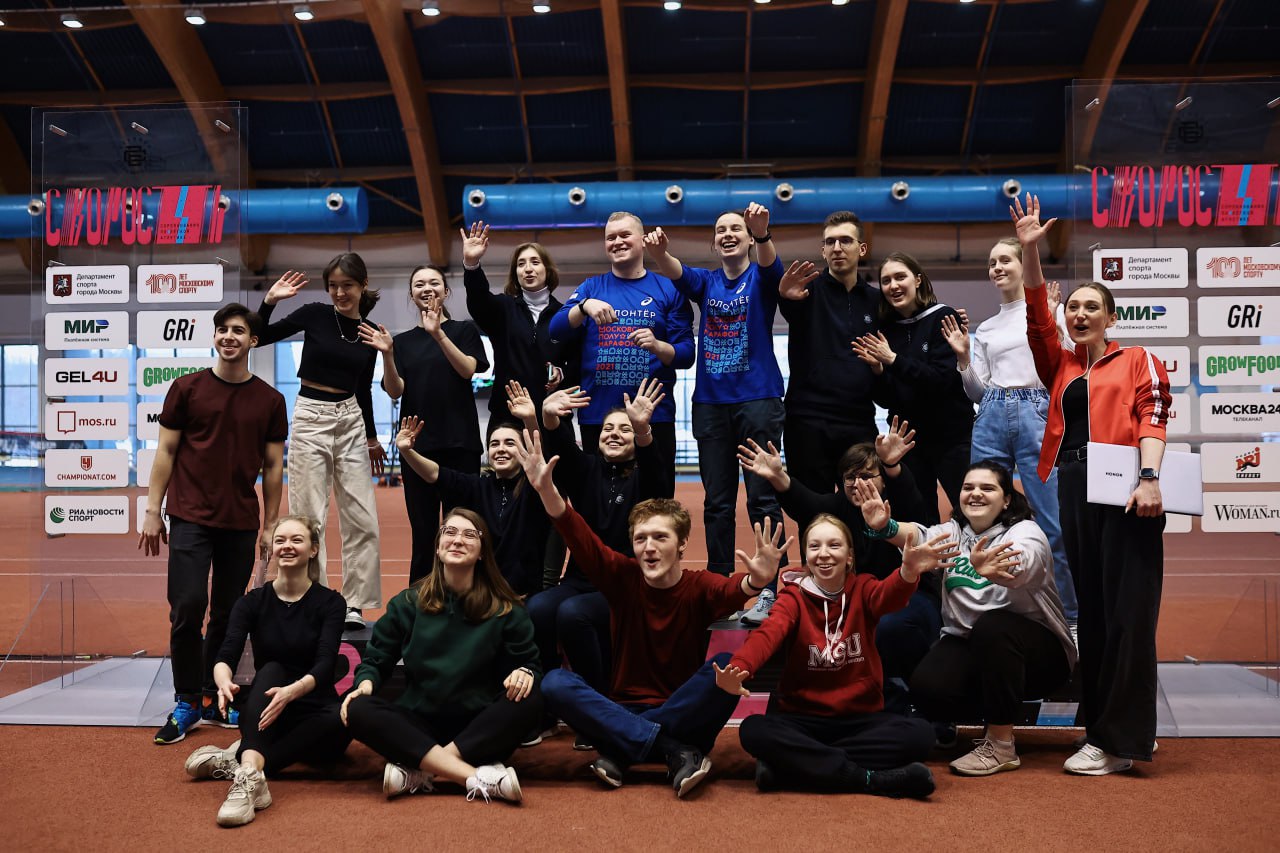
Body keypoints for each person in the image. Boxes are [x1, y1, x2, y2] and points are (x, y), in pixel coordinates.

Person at [516, 428, 782, 798]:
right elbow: (579, 536)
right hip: (626, 709)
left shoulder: (700, 586)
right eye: (640, 539)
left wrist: (757, 581)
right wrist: (547, 490)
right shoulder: (622, 578)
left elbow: (733, 590)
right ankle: (673, 751)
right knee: (555, 683)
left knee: (725, 665)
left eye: (660, 537)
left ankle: (623, 750)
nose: (649, 547)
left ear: (682, 544)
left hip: (683, 712)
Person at [1016, 193, 1171, 775]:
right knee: (1097, 614)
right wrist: (1031, 251)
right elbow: (1037, 314)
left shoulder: (1136, 359)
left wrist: (1149, 477)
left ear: (1111, 317)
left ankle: (1122, 741)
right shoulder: (1060, 364)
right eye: (1073, 308)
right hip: (1075, 485)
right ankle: (1105, 731)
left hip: (1129, 491)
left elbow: (1153, 416)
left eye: (1091, 307)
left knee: (1129, 614)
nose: (1079, 314)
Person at [855, 462, 1076, 777]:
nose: (975, 494)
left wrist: (996, 569)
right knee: (929, 689)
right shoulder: (955, 533)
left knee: (993, 626)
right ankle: (991, 716)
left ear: (1007, 499)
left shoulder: (1025, 531)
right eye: (968, 487)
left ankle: (1001, 745)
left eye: (987, 488)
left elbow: (1026, 563)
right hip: (977, 649)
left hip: (1040, 657)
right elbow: (919, 536)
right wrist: (885, 526)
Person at [714, 513, 953, 798]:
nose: (824, 554)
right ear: (806, 556)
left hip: (859, 719)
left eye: (834, 545)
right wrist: (740, 666)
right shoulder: (792, 598)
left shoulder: (863, 589)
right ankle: (868, 779)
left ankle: (794, 765)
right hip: (801, 719)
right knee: (752, 730)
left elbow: (889, 596)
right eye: (814, 546)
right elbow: (768, 633)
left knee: (921, 736)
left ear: (849, 557)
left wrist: (907, 573)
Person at [141, 302, 288, 745]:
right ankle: (186, 701)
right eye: (222, 329)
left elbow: (274, 467)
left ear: (253, 341)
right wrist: (152, 510)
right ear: (214, 336)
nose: (229, 337)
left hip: (240, 522)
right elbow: (166, 452)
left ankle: (211, 695)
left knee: (227, 614)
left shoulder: (271, 400)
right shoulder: (186, 389)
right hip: (189, 516)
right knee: (187, 607)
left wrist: (271, 525)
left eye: (238, 331)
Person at [643, 203, 787, 624]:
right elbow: (676, 271)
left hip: (757, 400)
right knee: (717, 503)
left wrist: (763, 234)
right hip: (710, 405)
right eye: (720, 229)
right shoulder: (707, 283)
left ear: (748, 238)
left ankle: (770, 590)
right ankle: (722, 588)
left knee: (762, 499)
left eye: (735, 229)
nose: (727, 234)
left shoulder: (760, 276)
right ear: (714, 241)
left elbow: (772, 267)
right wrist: (659, 254)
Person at [341, 508, 541, 804]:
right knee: (358, 707)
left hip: (479, 727)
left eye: (469, 534)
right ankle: (475, 776)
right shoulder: (408, 603)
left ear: (482, 553)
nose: (458, 540)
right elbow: (376, 658)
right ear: (437, 547)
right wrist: (366, 683)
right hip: (419, 724)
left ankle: (423, 770)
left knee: (534, 695)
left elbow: (529, 663)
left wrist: (525, 672)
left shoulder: (506, 610)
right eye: (450, 532)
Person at [736, 419, 940, 697]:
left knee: (889, 627)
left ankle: (903, 686)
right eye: (850, 477)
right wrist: (777, 476)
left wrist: (892, 465)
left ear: (883, 480)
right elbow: (805, 502)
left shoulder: (900, 503)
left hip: (909, 597)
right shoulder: (839, 506)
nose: (857, 484)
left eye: (867, 476)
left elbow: (911, 498)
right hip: (862, 598)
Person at [940, 237, 1079, 622]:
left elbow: (1067, 366)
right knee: (982, 518)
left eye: (1005, 260)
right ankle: (987, 609)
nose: (997, 268)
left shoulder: (1050, 313)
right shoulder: (986, 328)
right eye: (992, 263)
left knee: (1054, 524)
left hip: (1037, 412)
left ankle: (1070, 618)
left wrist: (1055, 324)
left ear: (1023, 266)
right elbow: (978, 392)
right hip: (991, 414)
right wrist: (964, 357)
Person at [183, 516, 350, 827]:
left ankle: (240, 759)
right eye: (280, 540)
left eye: (297, 540)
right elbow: (226, 654)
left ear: (313, 549)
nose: (287, 546)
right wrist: (223, 681)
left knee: (345, 716)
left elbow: (326, 664)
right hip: (268, 709)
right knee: (272, 669)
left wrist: (292, 691)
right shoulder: (252, 602)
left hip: (314, 712)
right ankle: (249, 780)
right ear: (272, 548)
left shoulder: (331, 603)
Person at [521, 380, 667, 717]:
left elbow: (656, 470)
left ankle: (597, 709)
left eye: (624, 430)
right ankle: (549, 705)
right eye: (607, 429)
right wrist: (549, 416)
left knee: (573, 614)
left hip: (626, 583)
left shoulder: (645, 477)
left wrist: (642, 430)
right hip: (581, 579)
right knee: (538, 608)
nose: (614, 434)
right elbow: (561, 447)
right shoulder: (586, 470)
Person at [255, 255, 385, 630]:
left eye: (347, 285)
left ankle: (355, 604)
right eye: (333, 286)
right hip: (311, 415)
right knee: (309, 516)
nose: (339, 293)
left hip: (351, 418)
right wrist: (270, 301)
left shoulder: (370, 332)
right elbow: (259, 338)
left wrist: (372, 437)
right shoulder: (314, 313)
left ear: (362, 285)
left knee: (363, 518)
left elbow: (364, 387)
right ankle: (316, 600)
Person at [548, 211, 695, 495]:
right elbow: (555, 330)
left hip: (653, 416)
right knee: (597, 501)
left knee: (657, 502)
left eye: (625, 235)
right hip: (598, 417)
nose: (617, 242)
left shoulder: (669, 289)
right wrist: (584, 306)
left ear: (642, 240)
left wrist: (657, 345)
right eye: (610, 237)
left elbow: (687, 355)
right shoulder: (591, 288)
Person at [360, 264, 489, 584]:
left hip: (461, 444)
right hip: (417, 447)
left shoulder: (464, 331)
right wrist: (387, 354)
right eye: (419, 284)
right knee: (424, 533)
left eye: (434, 283)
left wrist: (438, 334)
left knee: (463, 528)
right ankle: (420, 602)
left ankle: (467, 596)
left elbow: (467, 370)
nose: (427, 288)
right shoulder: (402, 342)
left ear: (446, 291)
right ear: (411, 294)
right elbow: (395, 390)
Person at [852, 252, 974, 525]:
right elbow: (887, 400)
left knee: (969, 511)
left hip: (952, 437)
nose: (893, 286)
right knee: (919, 518)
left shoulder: (944, 317)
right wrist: (878, 370)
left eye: (900, 277)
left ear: (917, 280)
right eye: (886, 281)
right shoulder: (886, 331)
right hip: (909, 442)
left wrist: (893, 360)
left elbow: (942, 380)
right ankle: (928, 557)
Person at [775, 211, 881, 494]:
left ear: (862, 248)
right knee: (813, 511)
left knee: (864, 506)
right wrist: (785, 297)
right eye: (830, 242)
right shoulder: (803, 291)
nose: (837, 248)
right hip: (807, 422)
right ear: (822, 250)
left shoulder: (877, 301)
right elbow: (790, 307)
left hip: (859, 421)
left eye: (845, 241)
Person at [395, 413, 549, 597]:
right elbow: (435, 474)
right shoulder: (477, 486)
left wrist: (530, 419)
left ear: (525, 450)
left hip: (523, 594)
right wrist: (407, 451)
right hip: (481, 592)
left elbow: (539, 455)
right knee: (414, 598)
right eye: (494, 444)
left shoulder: (535, 489)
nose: (501, 449)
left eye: (510, 443)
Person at [460, 222, 570, 420]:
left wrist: (562, 373)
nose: (528, 269)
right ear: (515, 274)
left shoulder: (565, 314)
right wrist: (472, 264)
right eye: (521, 264)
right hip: (507, 415)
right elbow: (478, 300)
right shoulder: (503, 309)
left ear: (547, 270)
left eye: (535, 262)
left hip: (552, 415)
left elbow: (577, 361)